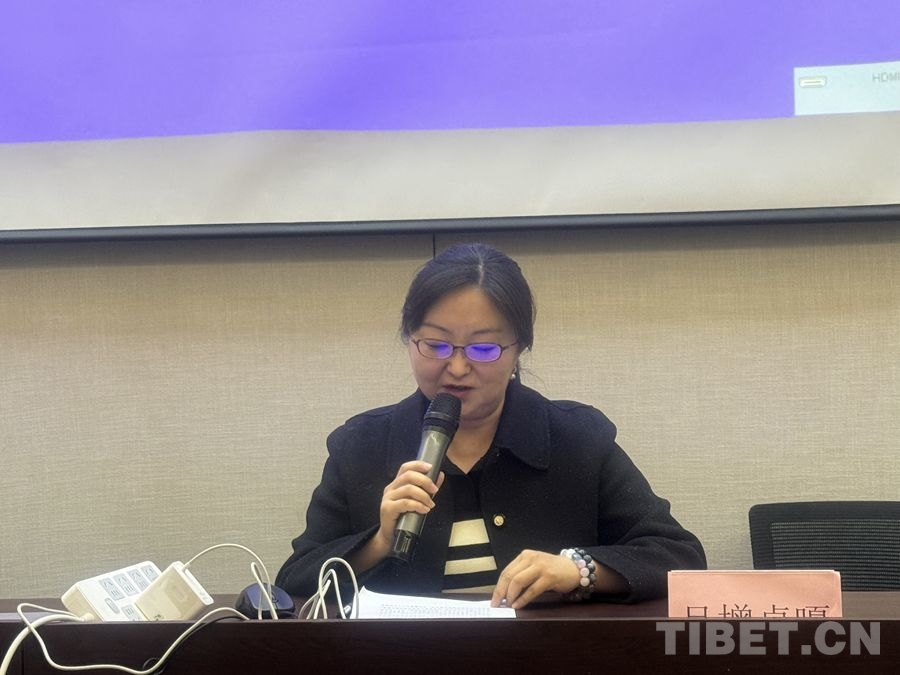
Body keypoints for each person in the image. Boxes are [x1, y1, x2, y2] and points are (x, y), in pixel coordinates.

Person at [276, 243, 706, 608]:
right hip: (404, 663)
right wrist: (379, 542)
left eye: (483, 349)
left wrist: (577, 569)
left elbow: (678, 555)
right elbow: (294, 579)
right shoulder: (360, 445)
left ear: (519, 348)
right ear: (409, 338)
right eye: (435, 345)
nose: (457, 367)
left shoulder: (577, 439)